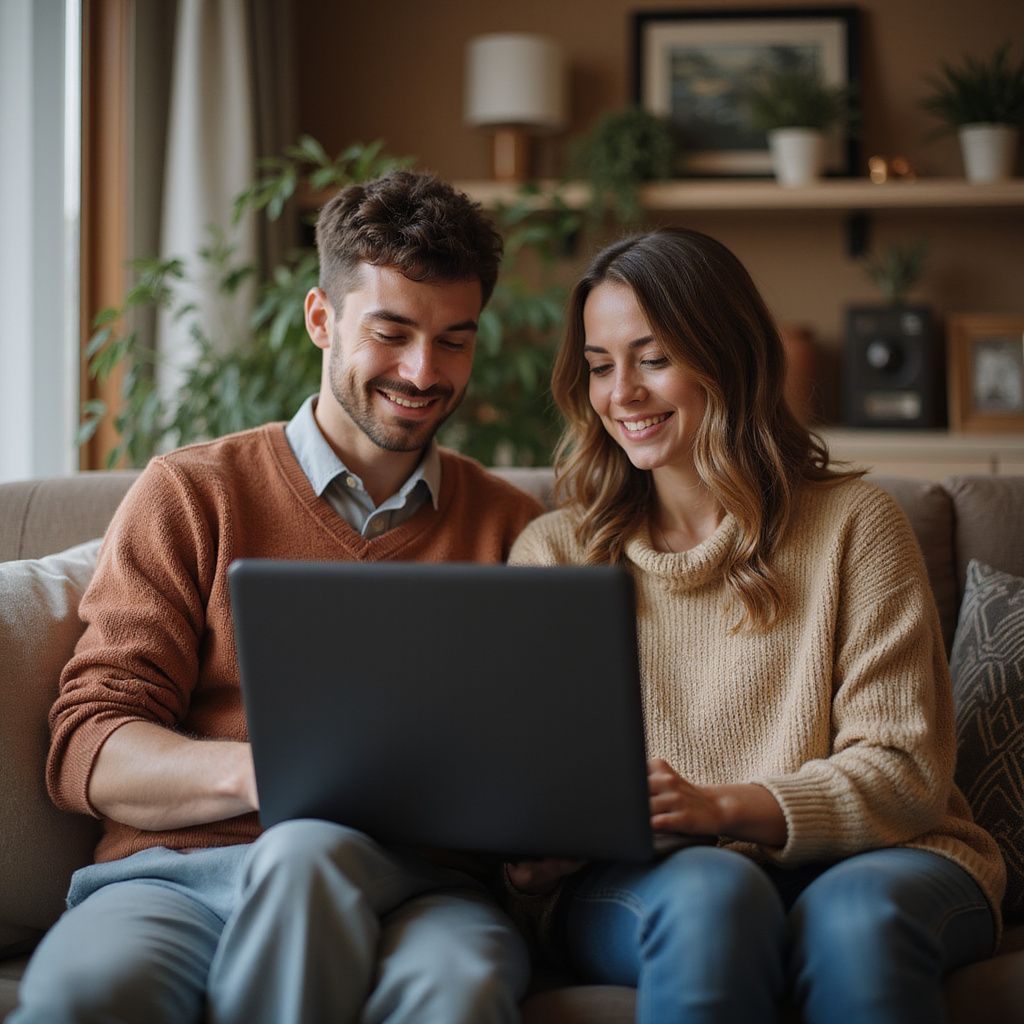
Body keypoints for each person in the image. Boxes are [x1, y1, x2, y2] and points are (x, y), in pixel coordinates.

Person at [13, 171, 541, 1024]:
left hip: (423, 891)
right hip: (175, 881)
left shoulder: (516, 528)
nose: (423, 371)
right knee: (86, 997)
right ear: (321, 320)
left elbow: (544, 753)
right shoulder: (193, 493)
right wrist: (270, 775)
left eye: (455, 340)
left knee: (460, 992)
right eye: (393, 331)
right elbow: (90, 746)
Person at [504, 227, 1005, 1024]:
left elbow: (905, 772)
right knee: (713, 897)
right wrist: (525, 854)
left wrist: (722, 807)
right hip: (651, 880)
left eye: (654, 357)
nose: (621, 393)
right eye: (601, 366)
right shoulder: (556, 552)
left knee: (854, 924)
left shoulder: (856, 525)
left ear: (727, 355)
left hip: (886, 859)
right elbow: (524, 778)